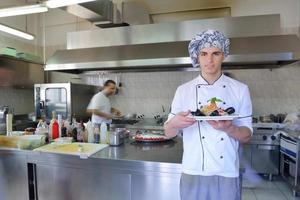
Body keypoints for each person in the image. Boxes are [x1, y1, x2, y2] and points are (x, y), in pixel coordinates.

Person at [164, 29, 252, 200]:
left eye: (215, 53)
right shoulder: (183, 91)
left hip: (226, 171)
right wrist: (175, 123)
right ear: (197, 56)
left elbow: (247, 136)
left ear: (224, 55)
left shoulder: (240, 90)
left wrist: (229, 128)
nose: (209, 60)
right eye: (204, 54)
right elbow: (168, 132)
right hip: (193, 170)